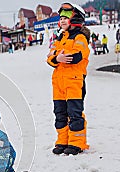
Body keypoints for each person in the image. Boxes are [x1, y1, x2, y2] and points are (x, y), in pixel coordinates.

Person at [46, 3, 90, 155]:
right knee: (59, 113)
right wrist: (57, 57)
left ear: (76, 18)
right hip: (58, 83)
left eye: (66, 17)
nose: (62, 20)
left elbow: (77, 56)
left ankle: (76, 142)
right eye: (61, 18)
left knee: (74, 113)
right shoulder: (60, 38)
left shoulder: (80, 37)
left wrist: (60, 57)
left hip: (74, 82)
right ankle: (62, 140)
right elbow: (50, 58)